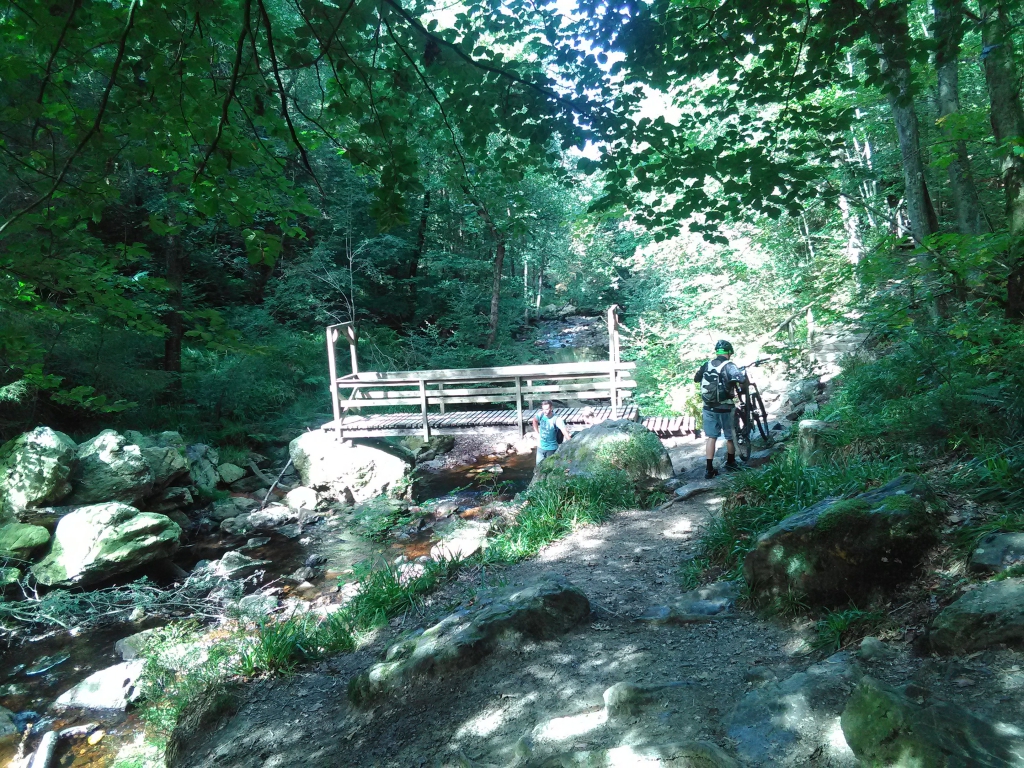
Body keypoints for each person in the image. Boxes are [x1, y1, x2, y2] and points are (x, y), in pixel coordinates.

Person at [693, 339, 749, 479]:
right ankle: (731, 462)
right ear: (729, 352)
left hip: (708, 407)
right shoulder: (729, 365)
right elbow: (741, 379)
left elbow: (696, 379)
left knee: (711, 437)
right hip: (725, 407)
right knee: (730, 436)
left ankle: (709, 469)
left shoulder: (707, 364)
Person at [532, 400, 571, 465]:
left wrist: (572, 444)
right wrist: (537, 433)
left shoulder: (557, 419)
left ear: (551, 408)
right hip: (540, 447)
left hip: (551, 449)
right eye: (543, 409)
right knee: (538, 468)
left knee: (549, 468)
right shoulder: (541, 414)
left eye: (547, 409)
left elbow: (565, 433)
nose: (545, 411)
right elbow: (534, 420)